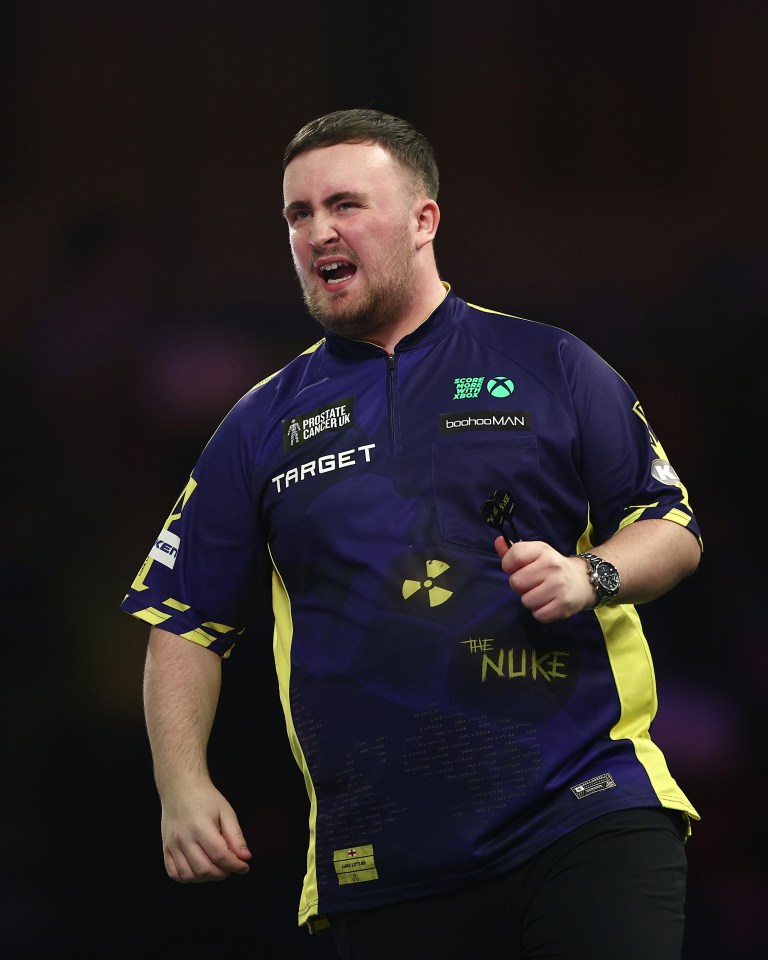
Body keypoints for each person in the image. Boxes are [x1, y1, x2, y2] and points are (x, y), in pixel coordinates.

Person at [122, 108, 702, 959]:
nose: (319, 230)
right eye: (298, 213)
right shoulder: (258, 424)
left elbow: (672, 526)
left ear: (424, 219)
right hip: (383, 860)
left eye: (345, 204)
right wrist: (182, 786)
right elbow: (181, 619)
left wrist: (593, 577)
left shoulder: (553, 365)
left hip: (584, 811)